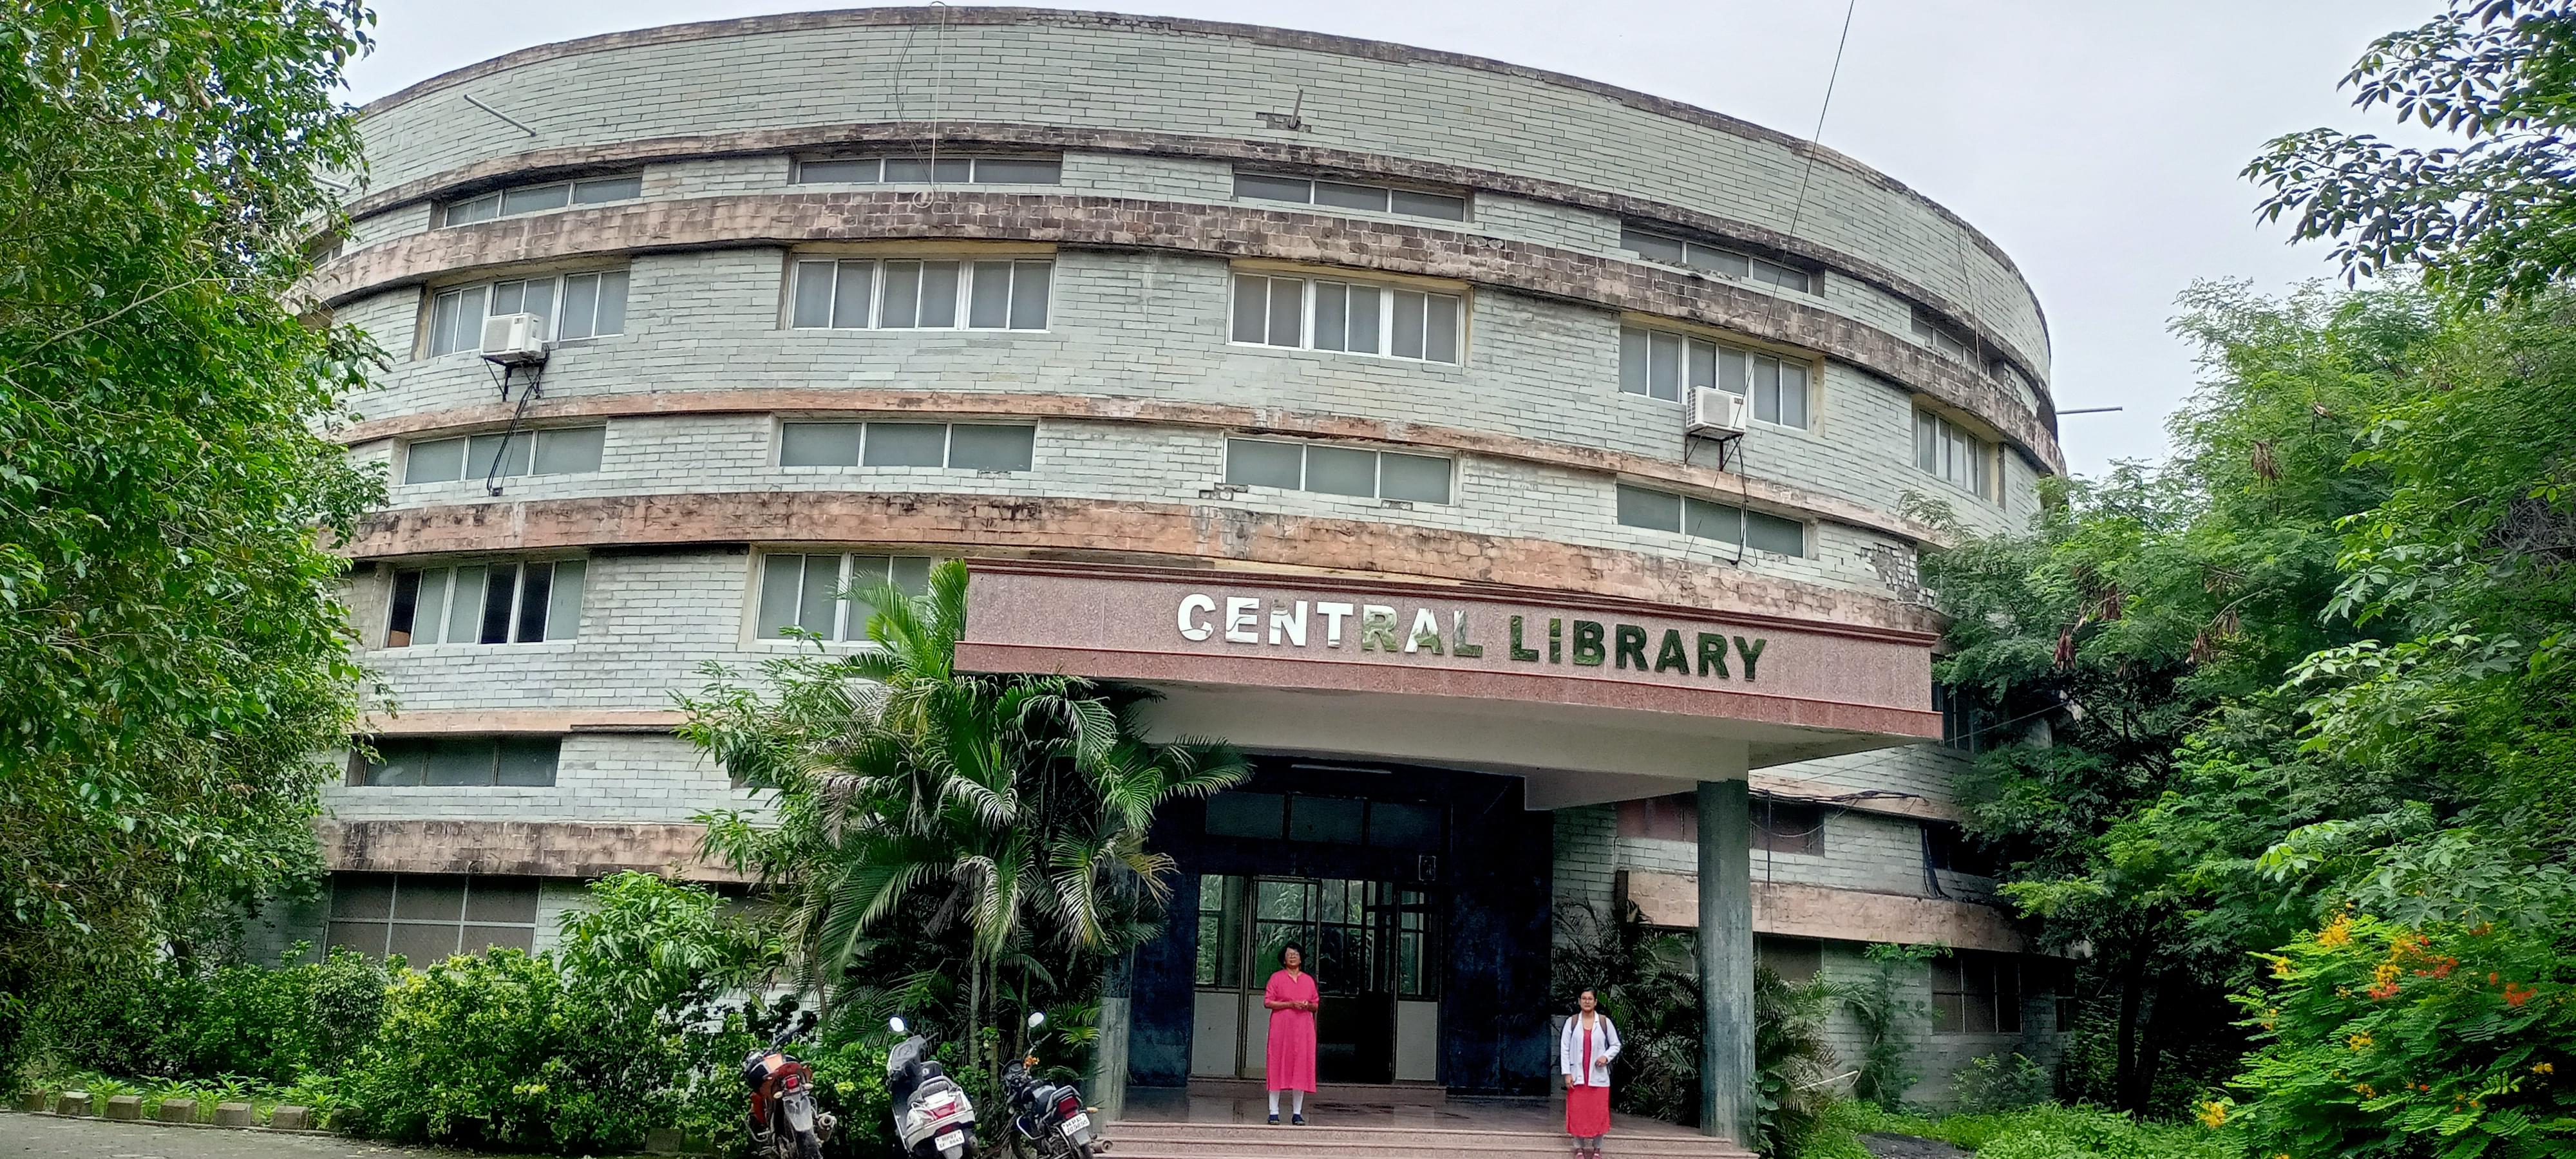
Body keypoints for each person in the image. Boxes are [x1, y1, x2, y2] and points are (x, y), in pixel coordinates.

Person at [1262, 942, 1320, 1125]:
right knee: (1277, 1064)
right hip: (1281, 1029)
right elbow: (1268, 1002)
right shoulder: (1276, 978)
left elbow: (1315, 1004)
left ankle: (1297, 1113)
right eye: (1289, 954)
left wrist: (1307, 1006)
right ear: (1284, 959)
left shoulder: (1308, 980)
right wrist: (1289, 1004)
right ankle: (1274, 1112)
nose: (1292, 956)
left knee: (1301, 1067)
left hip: (1303, 1029)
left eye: (1296, 953)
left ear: (1301, 957)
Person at [1560, 988, 1619, 1158]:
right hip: (1578, 1077)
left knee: (1598, 1113)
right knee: (1578, 1112)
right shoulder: (1572, 1022)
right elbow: (1564, 1049)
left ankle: (1597, 1148)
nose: (1587, 1001)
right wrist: (1567, 1073)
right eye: (1584, 998)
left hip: (1598, 1078)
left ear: (1595, 1002)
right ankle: (1578, 1147)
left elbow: (1615, 1045)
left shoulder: (1603, 1022)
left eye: (1590, 999)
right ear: (1579, 1001)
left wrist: (1605, 1057)